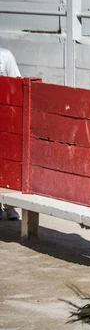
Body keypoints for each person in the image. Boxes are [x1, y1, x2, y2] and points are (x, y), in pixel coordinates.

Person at [0, 48, 22, 221]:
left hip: (5, 117)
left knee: (8, 160)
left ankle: (9, 206)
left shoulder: (5, 55)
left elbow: (16, 85)